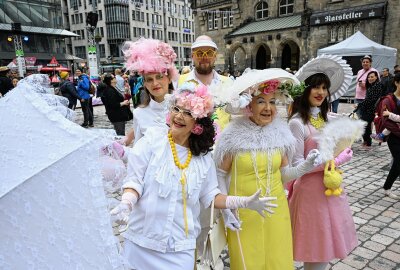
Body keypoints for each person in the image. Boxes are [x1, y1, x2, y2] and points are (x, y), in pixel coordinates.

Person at [110, 84, 277, 270]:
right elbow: (135, 181)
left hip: (180, 247)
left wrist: (244, 202)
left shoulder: (203, 158)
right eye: (176, 109)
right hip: (142, 242)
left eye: (188, 113)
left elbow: (211, 196)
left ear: (198, 122)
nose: (179, 116)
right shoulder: (151, 142)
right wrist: (126, 203)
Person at [214, 68, 322, 270]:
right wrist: (227, 210)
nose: (268, 108)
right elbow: (220, 174)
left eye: (272, 102)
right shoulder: (232, 137)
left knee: (277, 260)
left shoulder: (281, 134)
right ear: (249, 106)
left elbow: (284, 174)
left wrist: (305, 167)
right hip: (243, 210)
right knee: (249, 261)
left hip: (275, 208)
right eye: (261, 101)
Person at [288, 72, 357, 270]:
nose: (321, 92)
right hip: (310, 194)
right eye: (316, 87)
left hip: (330, 189)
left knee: (326, 248)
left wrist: (341, 152)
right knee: (314, 248)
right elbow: (297, 164)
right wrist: (334, 160)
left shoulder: (325, 119)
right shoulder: (296, 123)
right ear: (306, 90)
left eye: (324, 88)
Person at [121, 38, 179, 145]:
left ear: (169, 78)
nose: (155, 83)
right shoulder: (139, 113)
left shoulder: (184, 109)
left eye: (159, 77)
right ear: (145, 84)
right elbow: (138, 152)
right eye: (149, 79)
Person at [178, 35, 231, 130]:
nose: (204, 57)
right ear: (192, 56)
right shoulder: (179, 82)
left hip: (222, 143)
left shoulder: (228, 83)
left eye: (209, 53)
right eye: (199, 53)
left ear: (215, 56)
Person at [381, 73, 400, 199]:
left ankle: (387, 187)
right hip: (394, 136)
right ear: (396, 83)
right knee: (398, 161)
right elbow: (385, 119)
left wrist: (393, 116)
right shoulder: (388, 99)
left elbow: (390, 117)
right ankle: (387, 188)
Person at [356, 71, 383, 148]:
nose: (370, 78)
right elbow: (368, 99)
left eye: (372, 77)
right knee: (366, 126)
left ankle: (367, 142)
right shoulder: (371, 85)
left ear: (376, 77)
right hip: (367, 108)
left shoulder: (377, 86)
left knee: (365, 126)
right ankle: (367, 142)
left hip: (370, 109)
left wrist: (359, 105)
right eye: (369, 77)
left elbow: (371, 100)